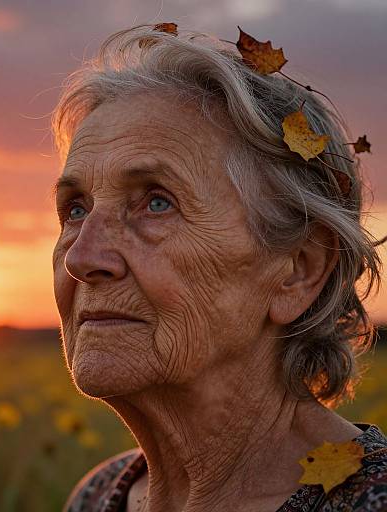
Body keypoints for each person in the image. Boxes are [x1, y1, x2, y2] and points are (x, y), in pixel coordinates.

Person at [50, 23, 387, 511]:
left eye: (157, 203)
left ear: (298, 271)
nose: (83, 258)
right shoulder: (100, 496)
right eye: (76, 209)